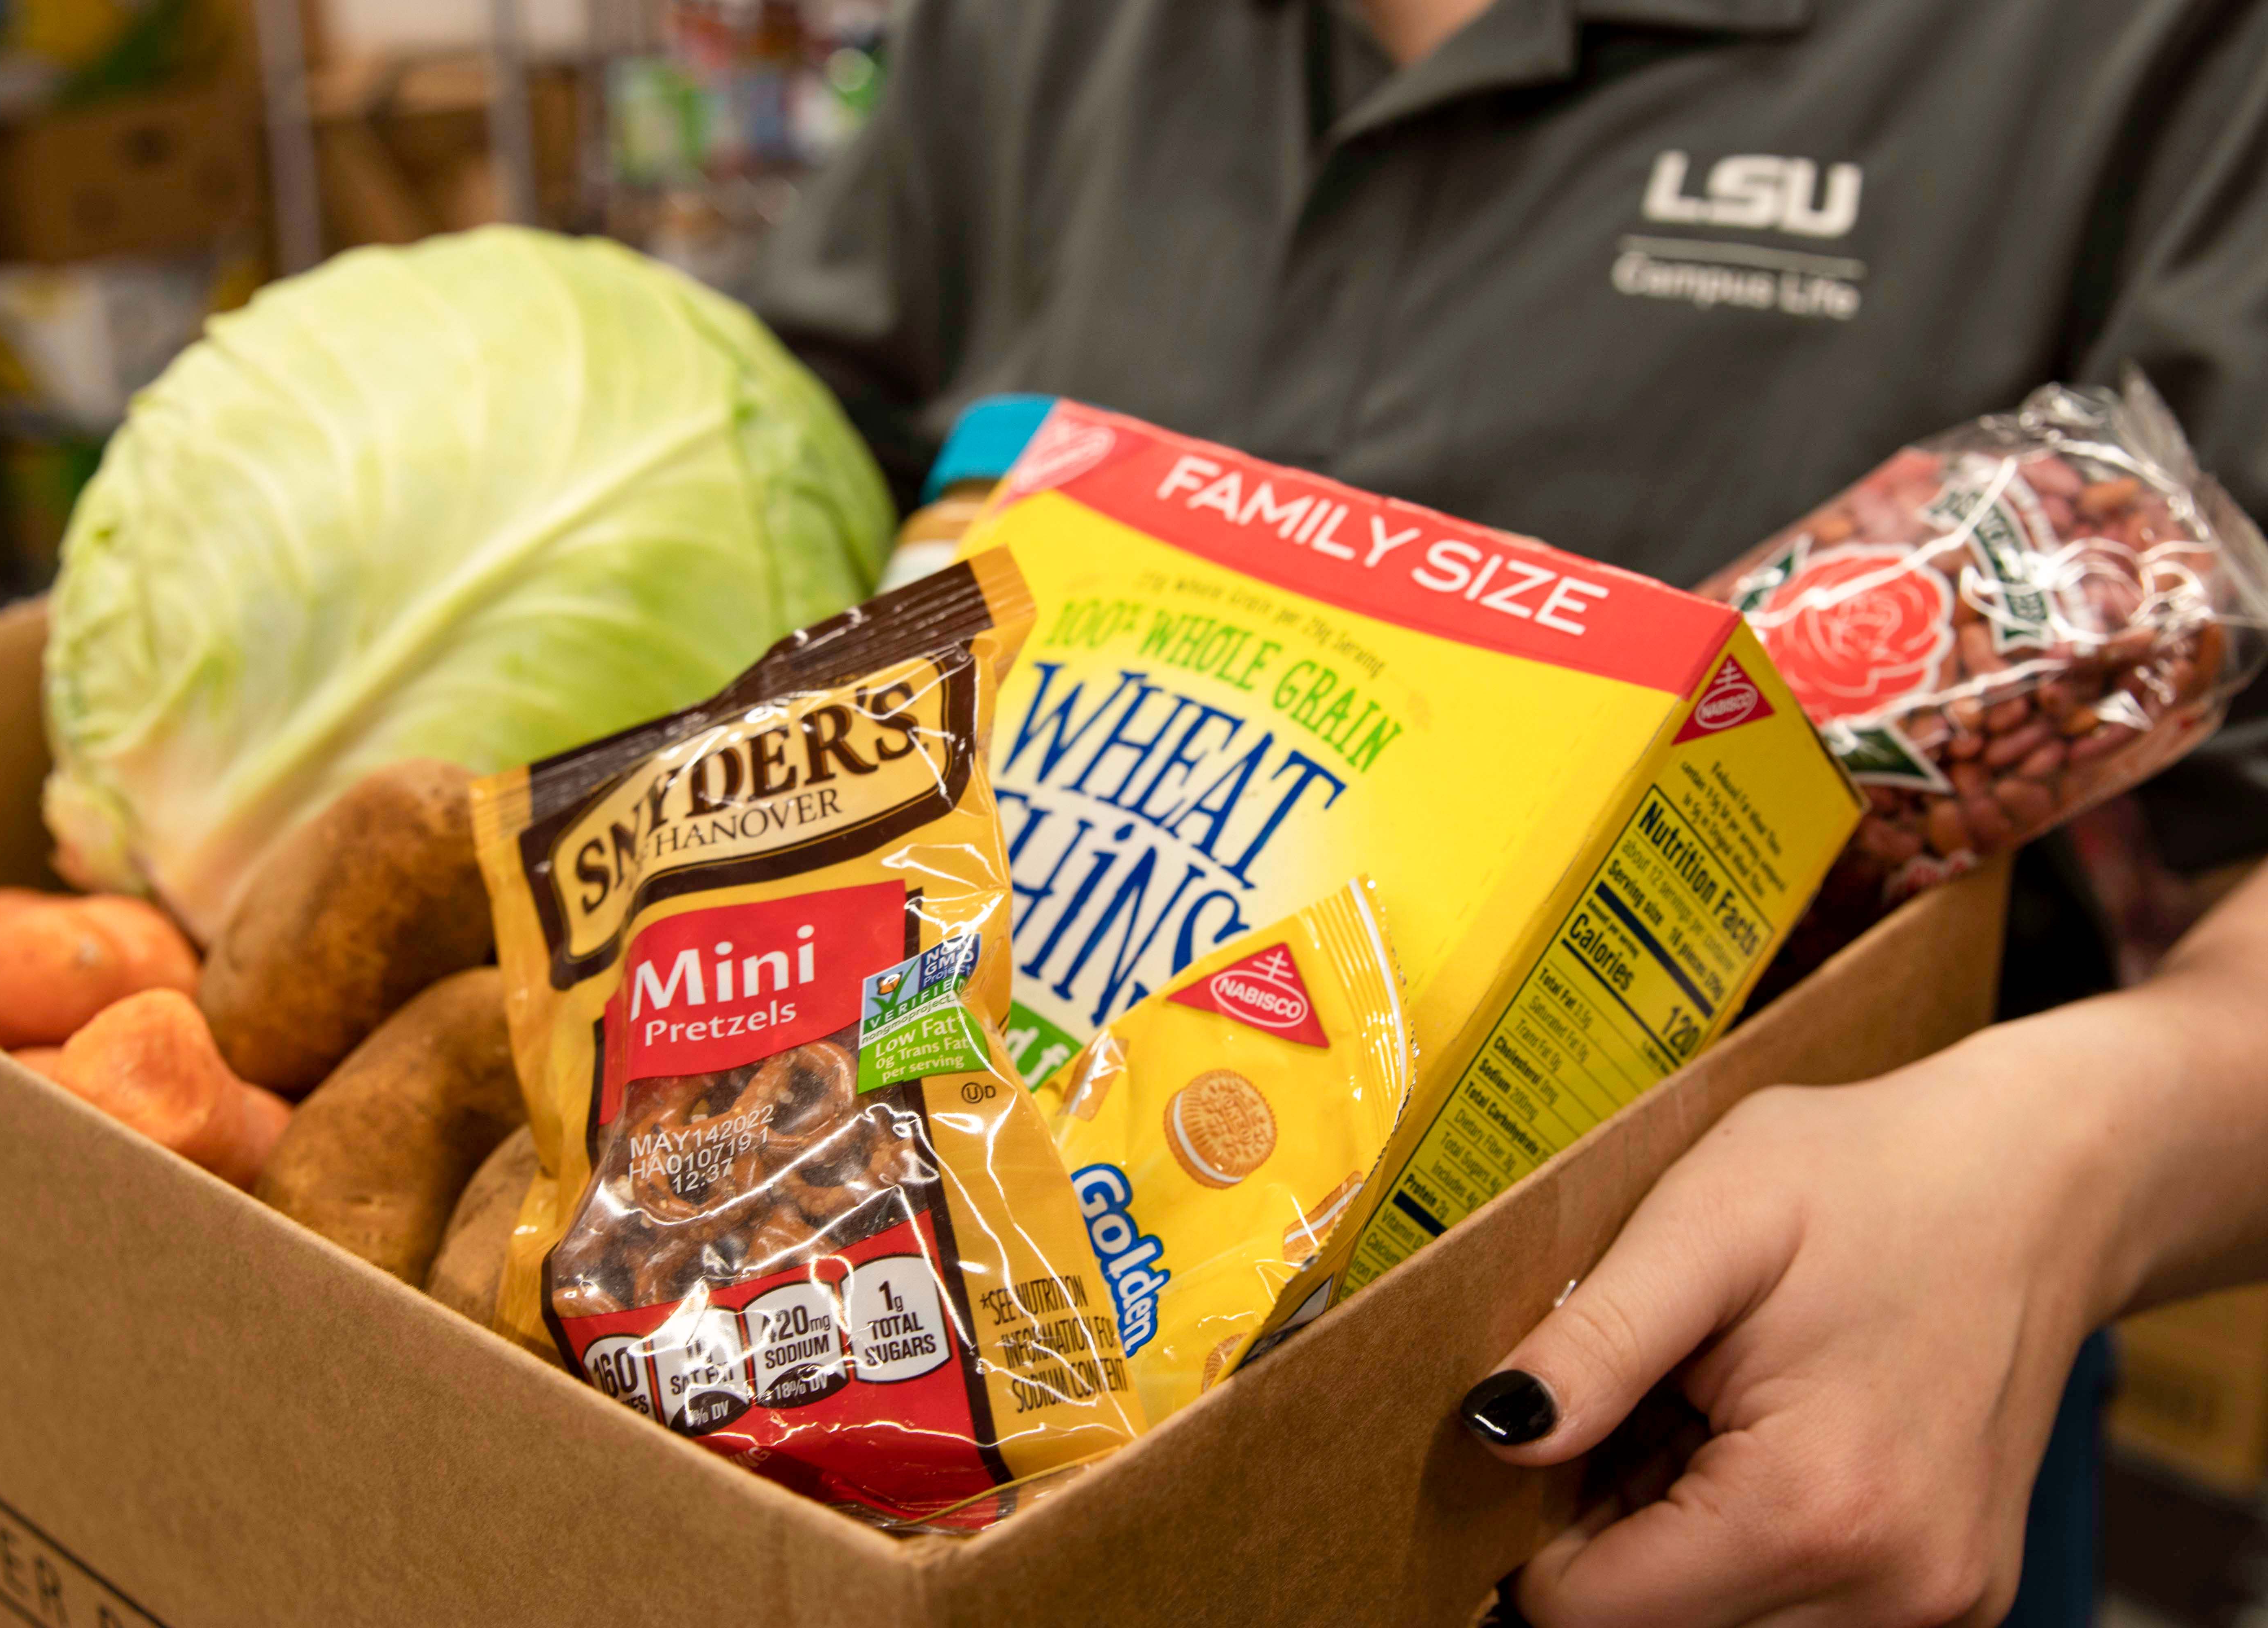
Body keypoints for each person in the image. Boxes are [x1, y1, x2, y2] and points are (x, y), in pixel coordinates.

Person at [747, 0, 2268, 1621]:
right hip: (943, 1333)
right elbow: (803, 497)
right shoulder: (1019, 32)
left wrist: (2064, 1170)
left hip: (1764, 1442)